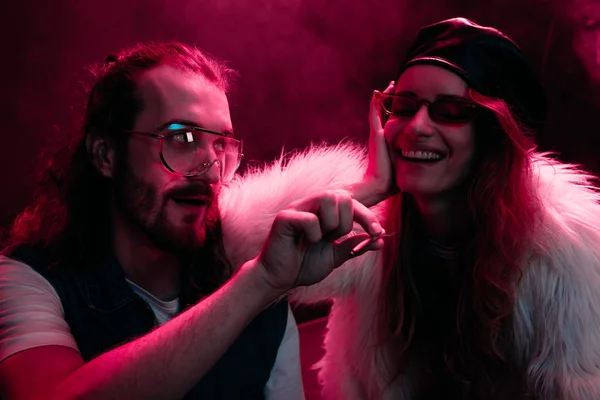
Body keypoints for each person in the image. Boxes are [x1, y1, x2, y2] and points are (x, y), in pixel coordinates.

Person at [222, 18, 600, 399]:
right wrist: (367, 188)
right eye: (403, 106)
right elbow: (234, 249)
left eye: (450, 111)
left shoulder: (562, 250)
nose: (417, 126)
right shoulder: (371, 226)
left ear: (492, 135)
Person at [0, 42, 385, 399]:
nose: (210, 170)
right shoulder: (27, 280)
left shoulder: (264, 303)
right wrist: (259, 281)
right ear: (105, 155)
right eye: (181, 139)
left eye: (221, 145)